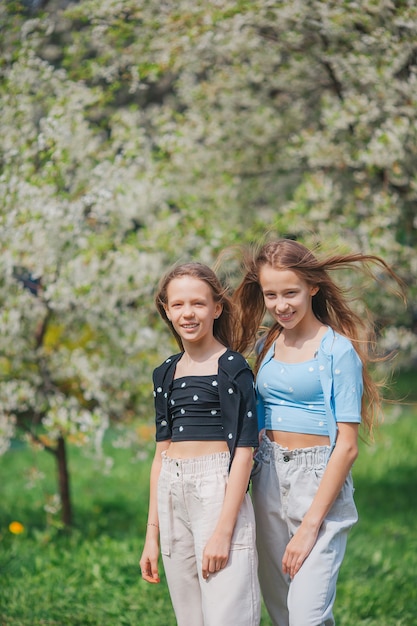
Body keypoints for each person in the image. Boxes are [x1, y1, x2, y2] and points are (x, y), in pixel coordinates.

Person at [232, 238, 404, 626]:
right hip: (268, 477)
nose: (281, 305)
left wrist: (311, 526)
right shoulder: (267, 344)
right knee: (282, 612)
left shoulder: (336, 350)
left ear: (313, 286)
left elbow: (346, 447)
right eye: (271, 294)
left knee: (307, 616)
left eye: (290, 292)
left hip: (318, 481)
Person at [139, 262, 261, 626]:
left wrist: (224, 531)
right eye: (177, 305)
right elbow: (161, 454)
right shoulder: (165, 372)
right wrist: (152, 535)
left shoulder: (232, 368)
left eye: (198, 303)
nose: (187, 313)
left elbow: (244, 451)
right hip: (172, 493)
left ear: (216, 308)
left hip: (217, 494)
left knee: (228, 613)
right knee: (189, 617)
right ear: (166, 310)